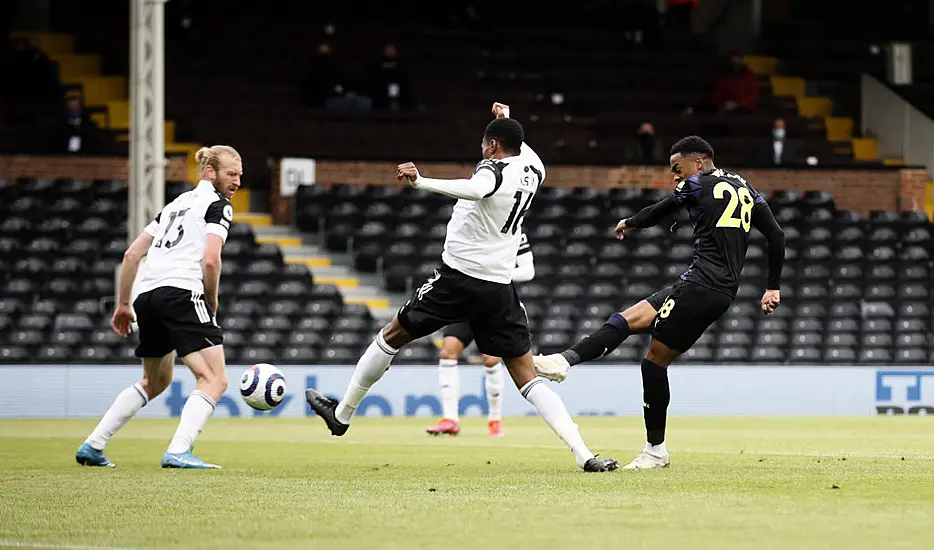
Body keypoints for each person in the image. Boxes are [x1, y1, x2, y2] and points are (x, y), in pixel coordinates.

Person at [306, 102, 619, 472]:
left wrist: (422, 182)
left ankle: (342, 415)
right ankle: (585, 455)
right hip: (498, 287)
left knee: (391, 335)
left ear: (491, 146)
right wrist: (504, 119)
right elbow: (514, 145)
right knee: (526, 376)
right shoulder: (534, 166)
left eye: (484, 144)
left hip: (459, 278)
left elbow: (476, 188)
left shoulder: (492, 171)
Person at [534, 136, 785, 469]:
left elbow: (663, 209)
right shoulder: (745, 187)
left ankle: (655, 450)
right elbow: (777, 235)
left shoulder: (697, 183)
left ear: (698, 162)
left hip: (702, 286)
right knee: (627, 318)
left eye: (676, 169)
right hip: (712, 287)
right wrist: (772, 287)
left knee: (653, 361)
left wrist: (631, 222)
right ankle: (564, 361)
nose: (675, 177)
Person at [75, 145, 241, 469]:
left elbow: (131, 255)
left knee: (155, 382)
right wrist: (212, 301)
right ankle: (179, 450)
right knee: (215, 379)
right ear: (211, 172)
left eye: (239, 175)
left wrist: (123, 304)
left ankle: (94, 445)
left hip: (148, 296)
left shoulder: (173, 206)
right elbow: (210, 259)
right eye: (231, 174)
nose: (237, 181)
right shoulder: (218, 205)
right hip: (182, 293)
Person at [426, 232, 535, 437]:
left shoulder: (514, 231)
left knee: (491, 358)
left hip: (495, 301)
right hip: (466, 300)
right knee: (448, 351)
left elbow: (528, 271)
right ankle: (450, 418)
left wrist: (491, 276)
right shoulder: (473, 227)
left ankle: (495, 419)